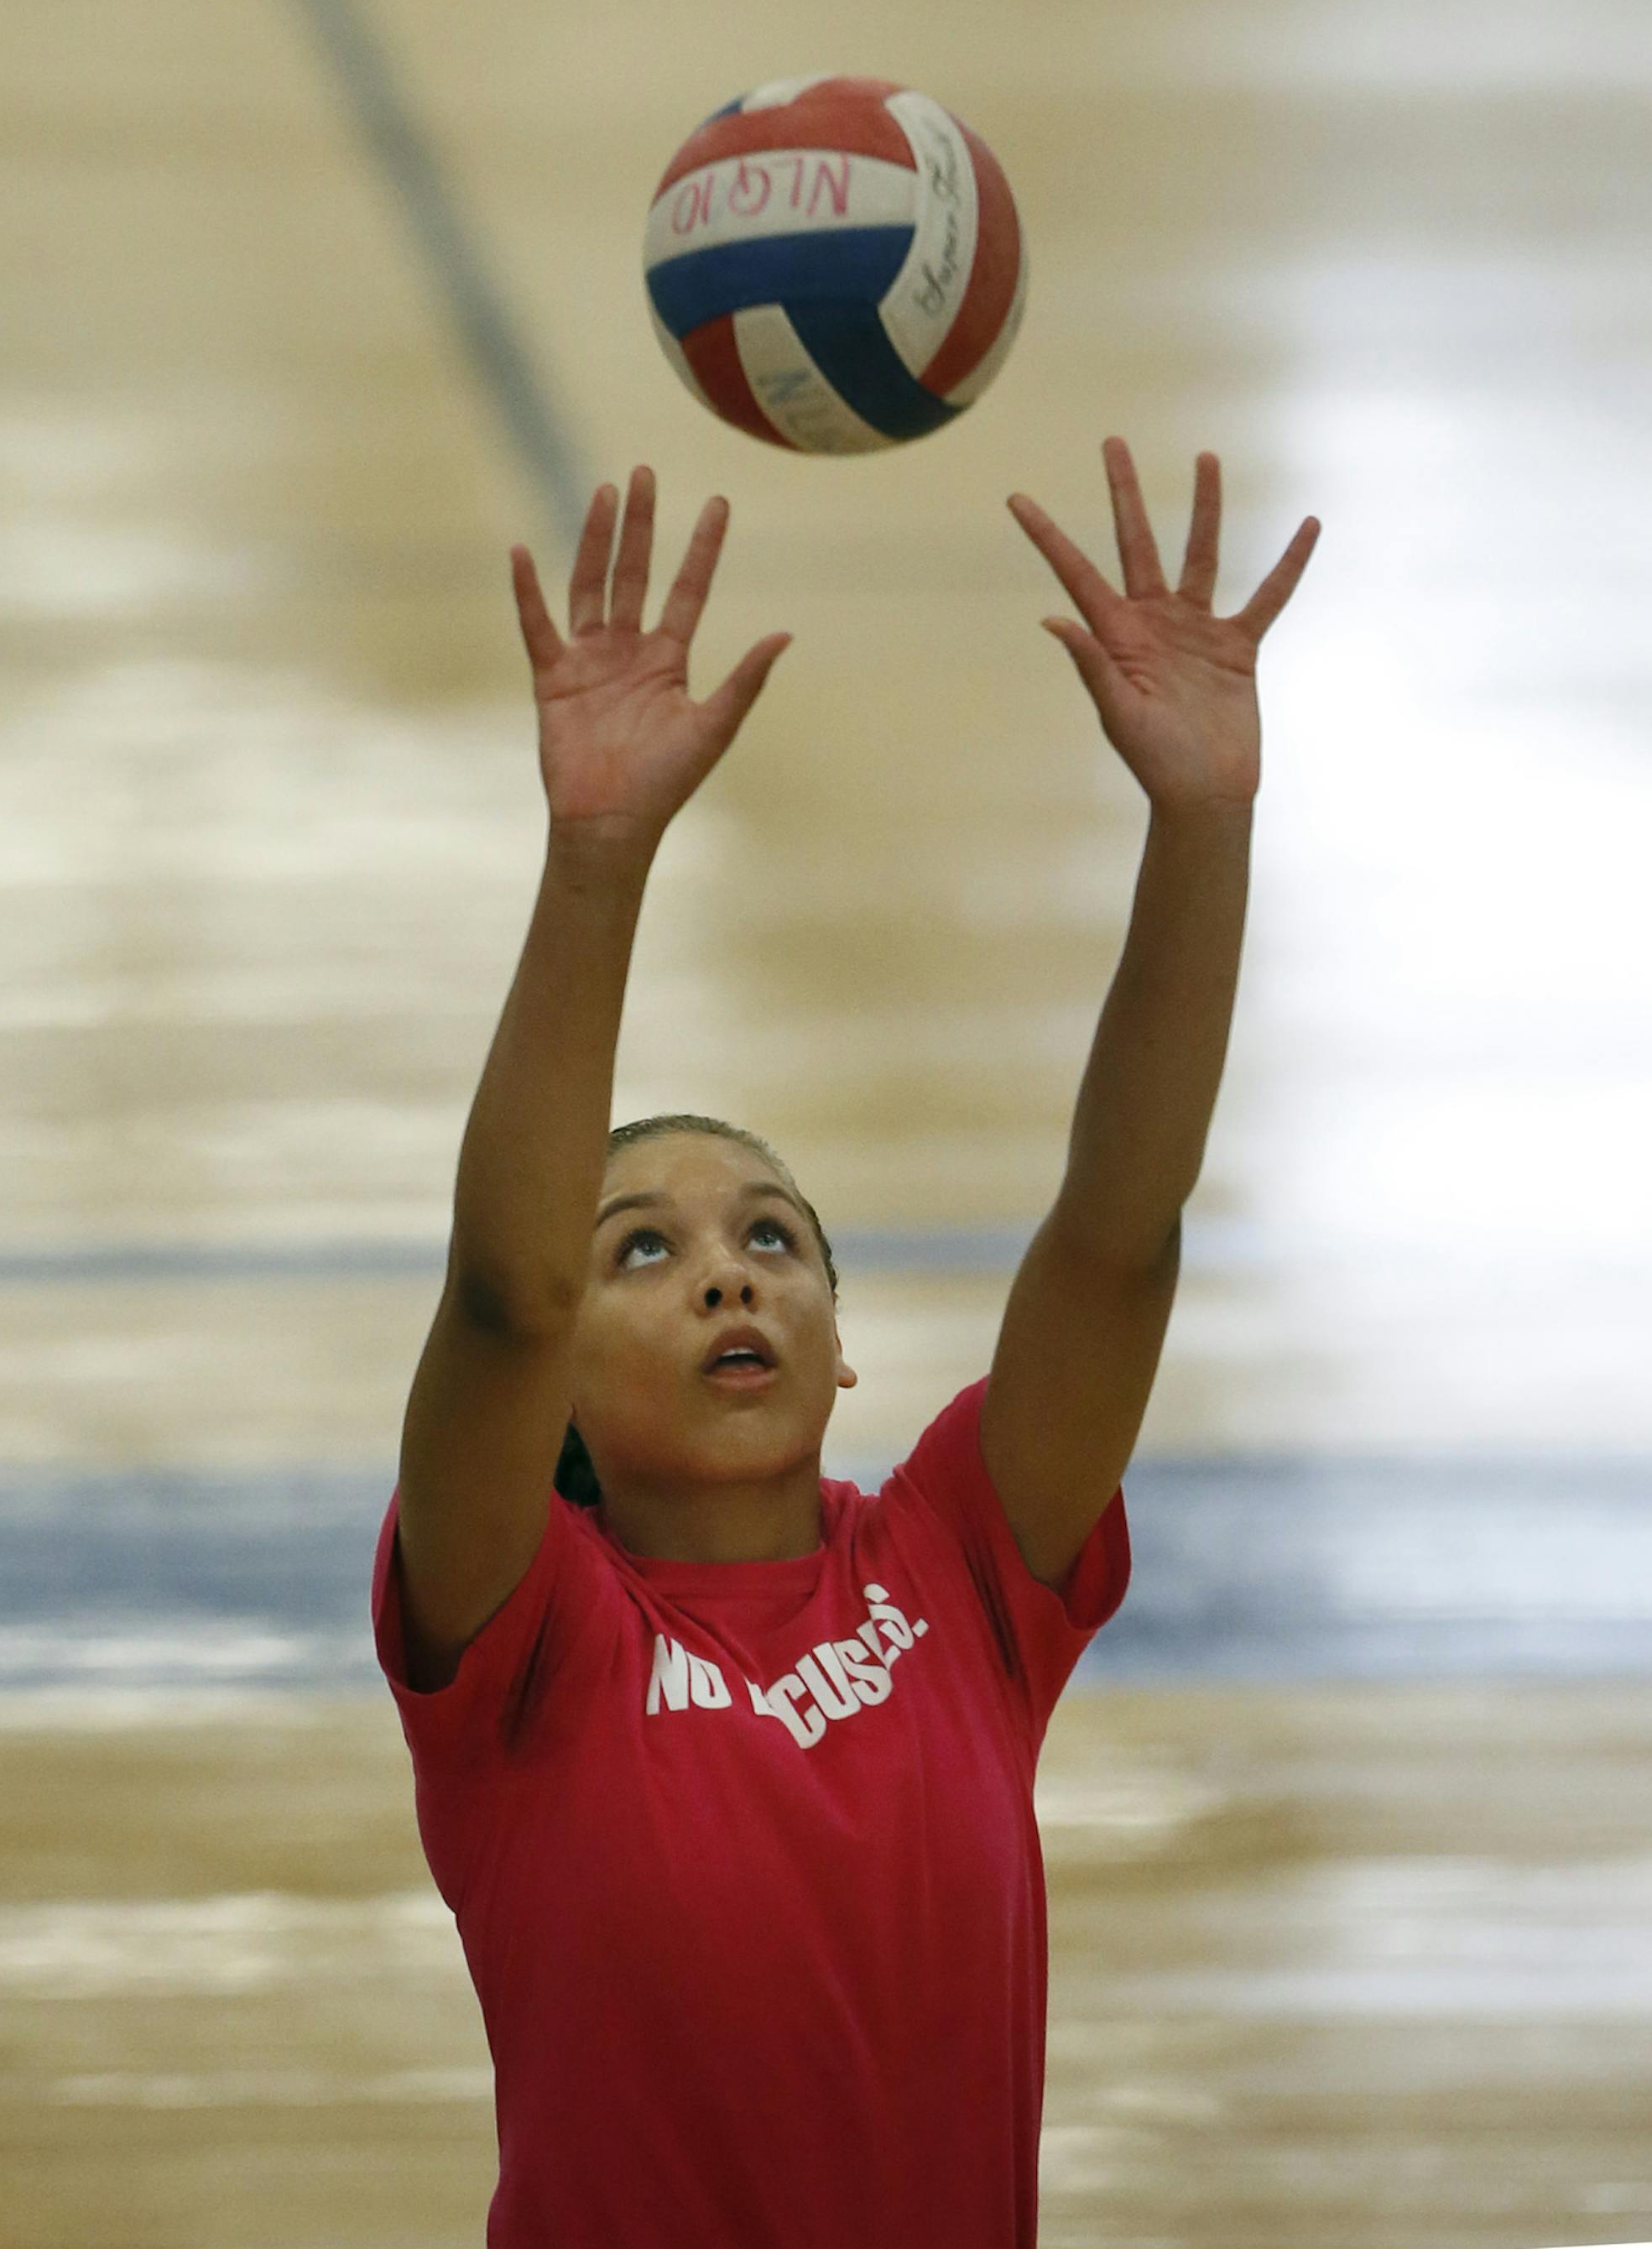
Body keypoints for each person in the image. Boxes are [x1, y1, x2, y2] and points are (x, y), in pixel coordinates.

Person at [371, 453, 1321, 2247]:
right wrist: (595, 861)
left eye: (772, 1240)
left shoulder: (959, 1562)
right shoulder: (528, 1638)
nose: (730, 1278)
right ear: (561, 1387)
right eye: (641, 1251)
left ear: (841, 1348)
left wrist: (1203, 824)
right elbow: (500, 1295)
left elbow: (1118, 1238)